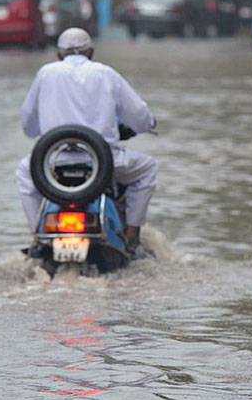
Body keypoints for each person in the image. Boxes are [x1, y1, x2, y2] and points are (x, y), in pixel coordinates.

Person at [16, 27, 157, 253]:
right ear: (90, 52)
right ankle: (132, 236)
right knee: (147, 169)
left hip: (52, 165)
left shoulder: (46, 73)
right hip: (105, 162)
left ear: (59, 54)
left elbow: (28, 126)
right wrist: (149, 123)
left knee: (24, 172)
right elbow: (139, 116)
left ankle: (38, 238)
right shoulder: (105, 73)